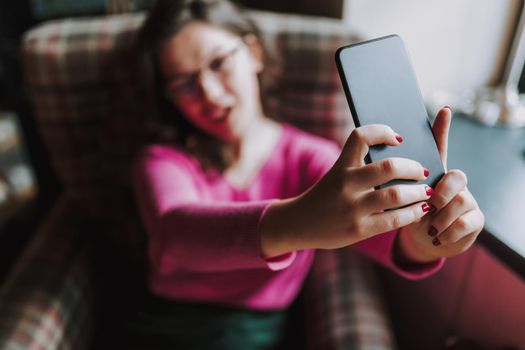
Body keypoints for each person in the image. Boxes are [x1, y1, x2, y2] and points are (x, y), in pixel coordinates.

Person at [127, 0, 485, 348]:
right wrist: (301, 221)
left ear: (253, 53)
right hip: (163, 322)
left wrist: (428, 237)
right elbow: (173, 235)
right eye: (184, 84)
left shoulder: (314, 159)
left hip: (253, 329)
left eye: (218, 62)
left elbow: (387, 237)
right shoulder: (160, 159)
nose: (209, 92)